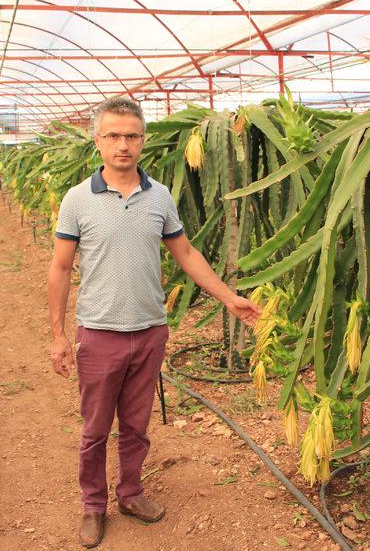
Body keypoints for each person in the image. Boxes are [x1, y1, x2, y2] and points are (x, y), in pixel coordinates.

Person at [47, 97, 261, 548]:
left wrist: (228, 298)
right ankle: (93, 505)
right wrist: (58, 335)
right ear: (97, 140)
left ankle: (130, 493)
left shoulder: (159, 195)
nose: (122, 144)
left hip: (150, 331)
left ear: (143, 140)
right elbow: (62, 267)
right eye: (113, 135)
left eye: (131, 135)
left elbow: (185, 253)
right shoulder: (77, 200)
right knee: (94, 429)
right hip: (99, 333)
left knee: (137, 426)